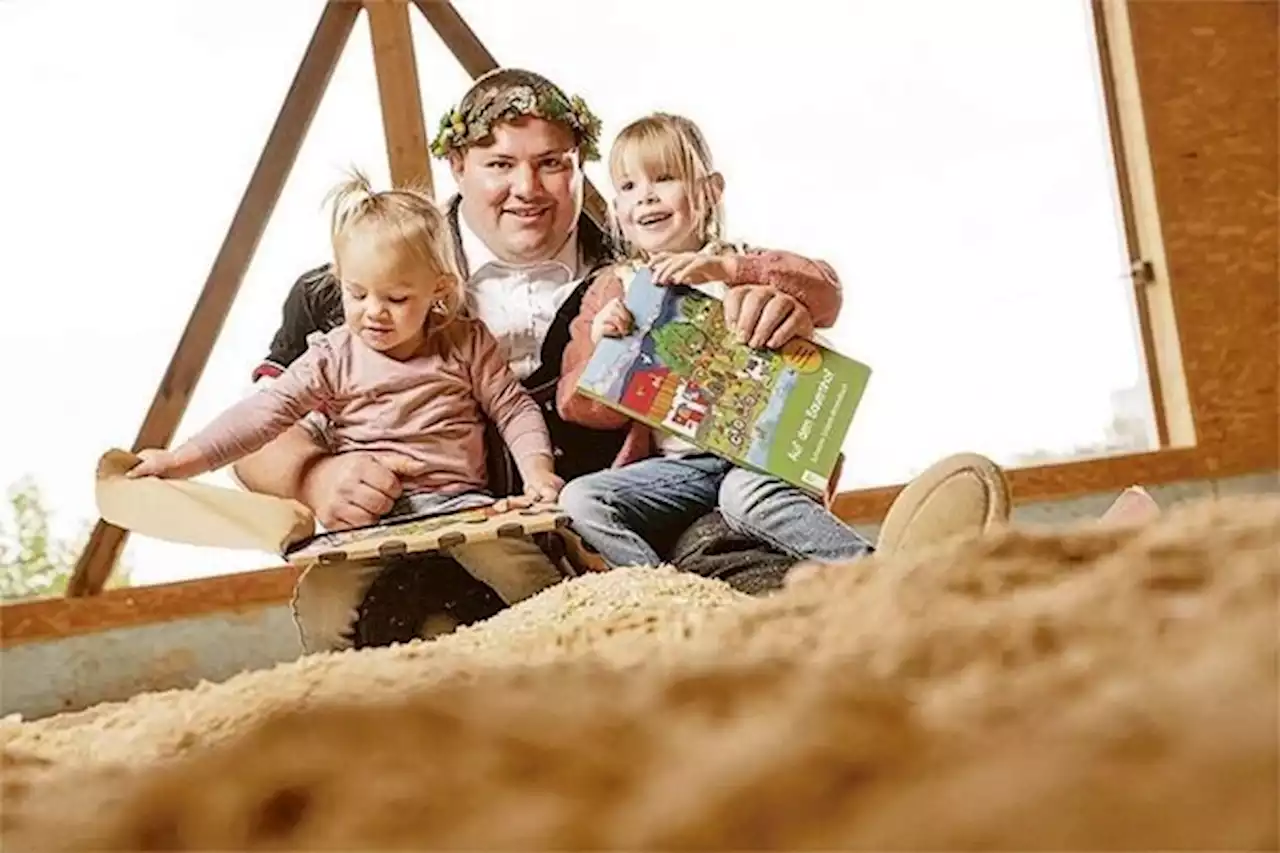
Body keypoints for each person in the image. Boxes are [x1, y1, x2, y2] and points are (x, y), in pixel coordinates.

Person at [230, 68, 1013, 654]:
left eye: (554, 163)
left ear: (582, 171)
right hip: (455, 546)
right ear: (458, 170)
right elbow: (260, 427)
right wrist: (314, 476)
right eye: (500, 163)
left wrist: (775, 321)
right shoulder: (355, 282)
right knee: (422, 641)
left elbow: (778, 306)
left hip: (664, 525)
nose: (527, 188)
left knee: (761, 598)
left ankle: (919, 602)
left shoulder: (646, 265)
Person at [129, 172, 566, 607]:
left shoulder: (465, 343)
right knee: (321, 602)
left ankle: (575, 651)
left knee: (524, 572)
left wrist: (538, 473)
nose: (374, 313)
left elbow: (515, 410)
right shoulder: (330, 357)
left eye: (395, 299)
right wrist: (178, 460)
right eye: (357, 295)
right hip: (365, 522)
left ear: (440, 289)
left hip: (462, 506)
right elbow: (262, 414)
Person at [556, 112, 876, 570]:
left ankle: (873, 569)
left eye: (664, 178)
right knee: (581, 499)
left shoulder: (740, 263)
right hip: (681, 468)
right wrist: (606, 346)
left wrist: (729, 272)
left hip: (759, 456)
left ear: (709, 190)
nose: (645, 194)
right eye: (627, 186)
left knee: (742, 496)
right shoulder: (616, 286)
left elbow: (826, 291)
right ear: (617, 212)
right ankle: (660, 591)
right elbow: (573, 404)